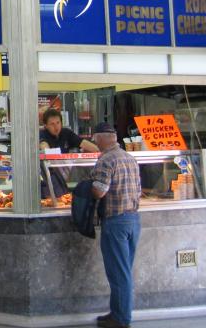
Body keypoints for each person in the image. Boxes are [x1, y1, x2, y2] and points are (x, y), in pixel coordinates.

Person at [90, 122, 142, 328]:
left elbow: (100, 191)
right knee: (124, 270)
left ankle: (121, 318)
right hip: (133, 220)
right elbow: (138, 190)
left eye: (96, 139)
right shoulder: (130, 158)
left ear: (103, 138)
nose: (95, 142)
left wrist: (88, 187)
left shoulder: (106, 159)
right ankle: (118, 312)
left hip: (115, 221)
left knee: (118, 273)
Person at [39, 108, 99, 197]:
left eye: (58, 123)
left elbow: (82, 142)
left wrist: (101, 150)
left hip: (65, 175)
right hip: (48, 175)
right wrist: (47, 151)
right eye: (52, 124)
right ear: (45, 125)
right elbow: (43, 145)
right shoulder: (42, 134)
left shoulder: (66, 133)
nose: (56, 127)